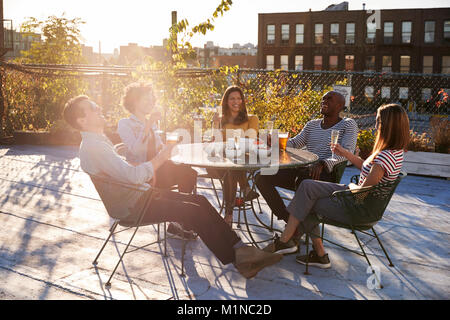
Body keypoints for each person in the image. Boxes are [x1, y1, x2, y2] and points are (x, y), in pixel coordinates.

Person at [62, 95, 283, 279]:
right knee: (193, 211)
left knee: (199, 201)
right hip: (132, 207)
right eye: (93, 108)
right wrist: (161, 156)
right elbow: (135, 176)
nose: (99, 108)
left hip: (139, 196)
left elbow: (125, 173)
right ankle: (241, 260)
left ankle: (241, 251)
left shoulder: (96, 141)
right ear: (82, 120)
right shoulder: (94, 146)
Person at [264, 104, 409, 269]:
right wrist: (346, 154)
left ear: (388, 126)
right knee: (307, 186)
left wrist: (351, 186)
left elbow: (361, 194)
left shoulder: (384, 158)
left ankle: (290, 243)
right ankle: (296, 243)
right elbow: (366, 169)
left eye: (378, 122)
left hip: (357, 207)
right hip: (354, 196)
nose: (375, 126)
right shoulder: (393, 153)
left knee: (308, 201)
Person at [255, 91, 358, 253]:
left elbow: (348, 152)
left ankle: (292, 232)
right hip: (304, 170)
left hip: (326, 174)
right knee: (262, 176)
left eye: (329, 99)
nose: (324, 101)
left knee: (303, 179)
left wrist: (323, 163)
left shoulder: (347, 124)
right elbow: (295, 143)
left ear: (340, 105)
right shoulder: (312, 125)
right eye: (323, 98)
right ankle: (289, 220)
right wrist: (273, 142)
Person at [117, 82, 198, 239]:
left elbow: (159, 149)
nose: (151, 103)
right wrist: (148, 124)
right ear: (134, 101)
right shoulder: (125, 124)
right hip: (142, 174)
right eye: (146, 99)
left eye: (151, 100)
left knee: (189, 172)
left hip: (159, 169)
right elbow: (135, 149)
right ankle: (179, 218)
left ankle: (178, 220)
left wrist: (171, 148)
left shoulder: (152, 124)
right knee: (182, 173)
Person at [210, 86, 260, 226]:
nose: (236, 101)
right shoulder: (221, 120)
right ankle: (245, 188)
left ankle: (228, 215)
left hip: (243, 162)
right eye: (232, 98)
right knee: (230, 168)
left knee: (231, 169)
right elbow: (216, 142)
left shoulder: (252, 119)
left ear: (243, 101)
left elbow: (250, 140)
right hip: (221, 162)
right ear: (226, 101)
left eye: (239, 98)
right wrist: (215, 123)